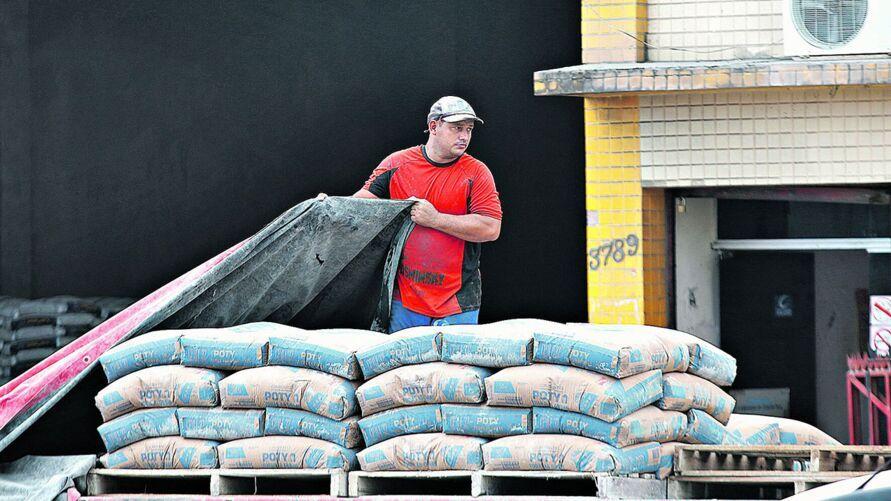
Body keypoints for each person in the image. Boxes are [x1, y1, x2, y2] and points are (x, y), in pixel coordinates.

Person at [353, 96, 502, 332]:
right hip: (405, 299)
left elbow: (491, 228)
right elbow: (358, 208)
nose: (464, 136)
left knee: (453, 369)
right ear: (434, 126)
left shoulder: (477, 172)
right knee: (402, 369)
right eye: (456, 128)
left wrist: (435, 219)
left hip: (457, 301)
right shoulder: (397, 164)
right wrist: (327, 206)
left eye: (469, 129)